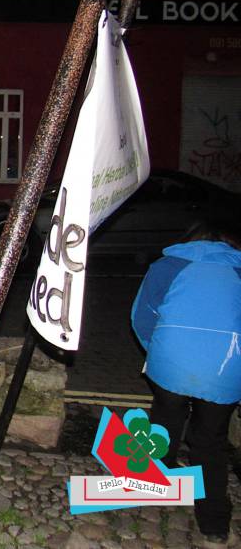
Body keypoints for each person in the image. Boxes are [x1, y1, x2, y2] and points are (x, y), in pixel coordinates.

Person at [131, 221, 241, 547]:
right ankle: (214, 527)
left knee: (165, 417)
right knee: (210, 441)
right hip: (225, 365)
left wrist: (157, 351)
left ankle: (154, 481)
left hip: (171, 360)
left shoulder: (168, 265)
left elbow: (142, 315)